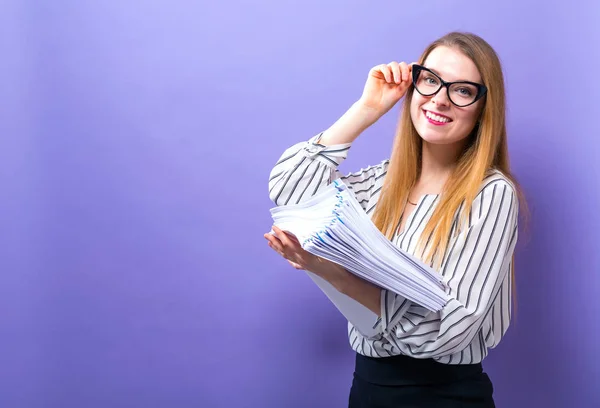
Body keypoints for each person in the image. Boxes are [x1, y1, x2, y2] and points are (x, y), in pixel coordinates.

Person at [264, 31, 525, 408]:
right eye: (430, 80)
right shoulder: (379, 183)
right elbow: (289, 189)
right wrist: (367, 108)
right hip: (368, 389)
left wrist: (334, 274)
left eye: (463, 91)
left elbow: (443, 333)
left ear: (485, 107)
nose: (439, 99)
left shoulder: (490, 194)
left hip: (445, 395)